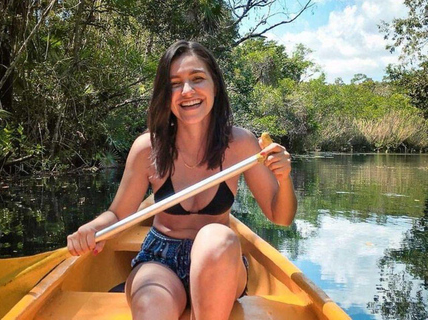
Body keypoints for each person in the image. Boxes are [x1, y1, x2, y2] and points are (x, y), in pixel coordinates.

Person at [67, 40, 296, 320]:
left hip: (219, 263)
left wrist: (283, 178)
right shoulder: (146, 149)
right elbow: (118, 214)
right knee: (152, 306)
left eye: (197, 79)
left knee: (215, 237)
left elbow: (281, 217)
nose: (187, 91)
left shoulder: (241, 144)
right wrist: (91, 228)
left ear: (215, 86)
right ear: (166, 93)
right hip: (159, 259)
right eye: (175, 83)